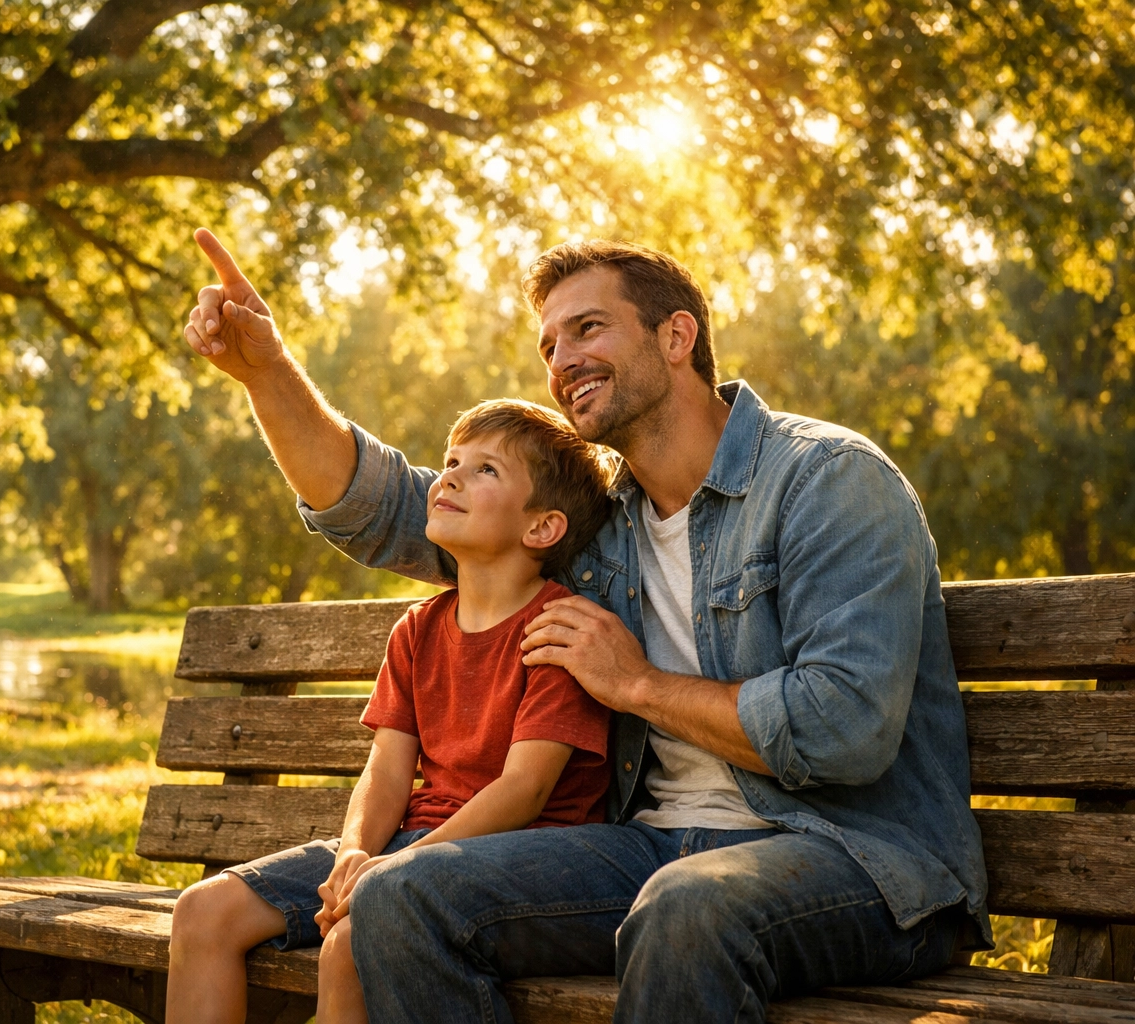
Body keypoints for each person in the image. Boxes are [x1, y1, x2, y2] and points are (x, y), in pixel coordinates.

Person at [181, 230, 989, 1023]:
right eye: (549, 345)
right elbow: (383, 507)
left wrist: (639, 685)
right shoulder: (601, 530)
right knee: (401, 892)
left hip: (857, 860)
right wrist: (266, 373)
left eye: (587, 328)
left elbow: (843, 729)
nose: (561, 360)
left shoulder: (826, 481)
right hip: (644, 851)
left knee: (684, 907)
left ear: (678, 336)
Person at [165, 399, 616, 1024]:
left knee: (353, 941)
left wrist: (391, 870)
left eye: (485, 470)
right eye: (451, 461)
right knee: (203, 911)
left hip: (506, 863)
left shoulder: (557, 631)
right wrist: (355, 853)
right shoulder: (417, 631)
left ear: (541, 527)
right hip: (402, 847)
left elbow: (524, 790)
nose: (449, 477)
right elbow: (386, 769)